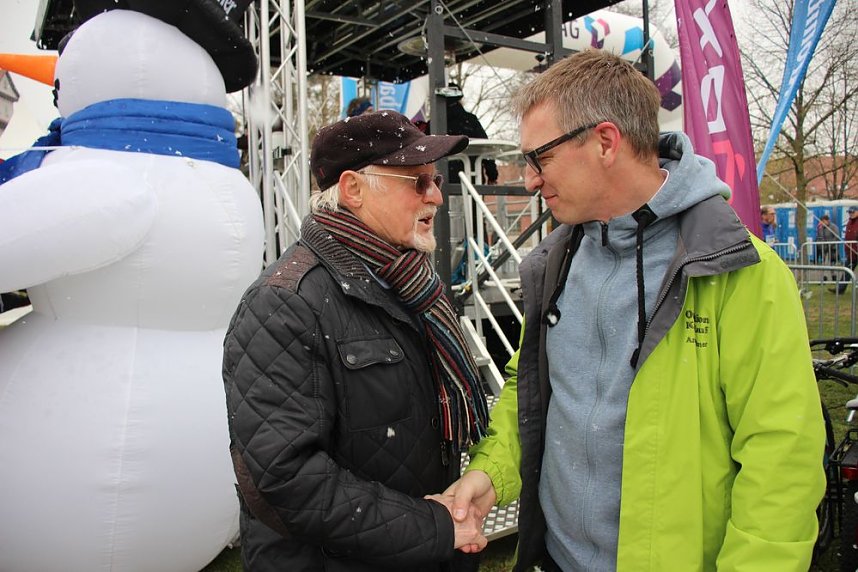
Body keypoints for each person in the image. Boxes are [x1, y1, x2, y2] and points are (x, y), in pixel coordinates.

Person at [445, 50, 825, 571]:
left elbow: (782, 460)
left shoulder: (739, 271)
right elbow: (528, 390)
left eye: (540, 158)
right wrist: (491, 473)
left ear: (605, 142)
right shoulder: (554, 264)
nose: (530, 180)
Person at [223, 110, 490, 571]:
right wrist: (434, 527)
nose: (435, 196)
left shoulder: (412, 283)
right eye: (417, 181)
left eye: (435, 180)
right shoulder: (282, 304)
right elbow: (286, 480)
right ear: (353, 190)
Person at [429, 84, 498, 185]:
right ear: (460, 99)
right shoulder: (470, 121)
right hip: (472, 179)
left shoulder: (433, 124)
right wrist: (492, 175)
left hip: (441, 182)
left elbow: (424, 154)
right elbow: (486, 148)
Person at [835, 206, 858, 294]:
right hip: (851, 252)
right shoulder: (849, 222)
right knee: (847, 271)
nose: (851, 214)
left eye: (853, 212)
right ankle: (840, 289)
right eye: (849, 212)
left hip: (856, 249)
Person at [816, 213, 839, 279]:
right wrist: (819, 245)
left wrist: (830, 244)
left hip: (832, 248)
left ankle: (834, 275)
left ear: (827, 220)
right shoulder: (820, 228)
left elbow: (836, 236)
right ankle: (824, 277)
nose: (822, 222)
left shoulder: (833, 227)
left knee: (832, 262)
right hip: (824, 248)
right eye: (821, 221)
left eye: (823, 221)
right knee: (824, 263)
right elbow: (818, 237)